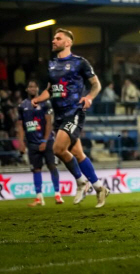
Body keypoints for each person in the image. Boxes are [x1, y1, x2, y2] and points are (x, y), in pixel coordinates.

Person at [31, 28, 109, 207]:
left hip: (74, 112)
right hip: (59, 115)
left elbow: (96, 84)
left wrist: (89, 97)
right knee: (78, 154)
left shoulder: (79, 63)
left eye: (58, 38)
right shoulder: (51, 64)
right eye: (53, 38)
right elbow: (50, 90)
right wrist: (38, 99)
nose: (53, 41)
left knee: (58, 149)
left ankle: (82, 181)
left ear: (68, 43)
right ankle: (99, 187)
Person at [16, 80, 64, 206]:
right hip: (32, 143)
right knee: (36, 169)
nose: (32, 88)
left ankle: (58, 195)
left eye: (34, 86)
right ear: (27, 89)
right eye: (29, 86)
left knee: (52, 166)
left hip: (47, 141)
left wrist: (44, 140)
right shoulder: (22, 106)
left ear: (37, 88)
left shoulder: (45, 103)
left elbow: (49, 123)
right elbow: (20, 126)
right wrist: (21, 142)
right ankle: (39, 197)